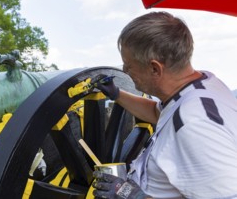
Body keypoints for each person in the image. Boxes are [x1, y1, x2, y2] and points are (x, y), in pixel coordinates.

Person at [92, 11, 237, 198]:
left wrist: (133, 195)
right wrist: (117, 94)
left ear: (155, 68)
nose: (125, 71)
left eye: (128, 65)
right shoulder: (199, 86)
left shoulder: (195, 125)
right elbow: (158, 112)